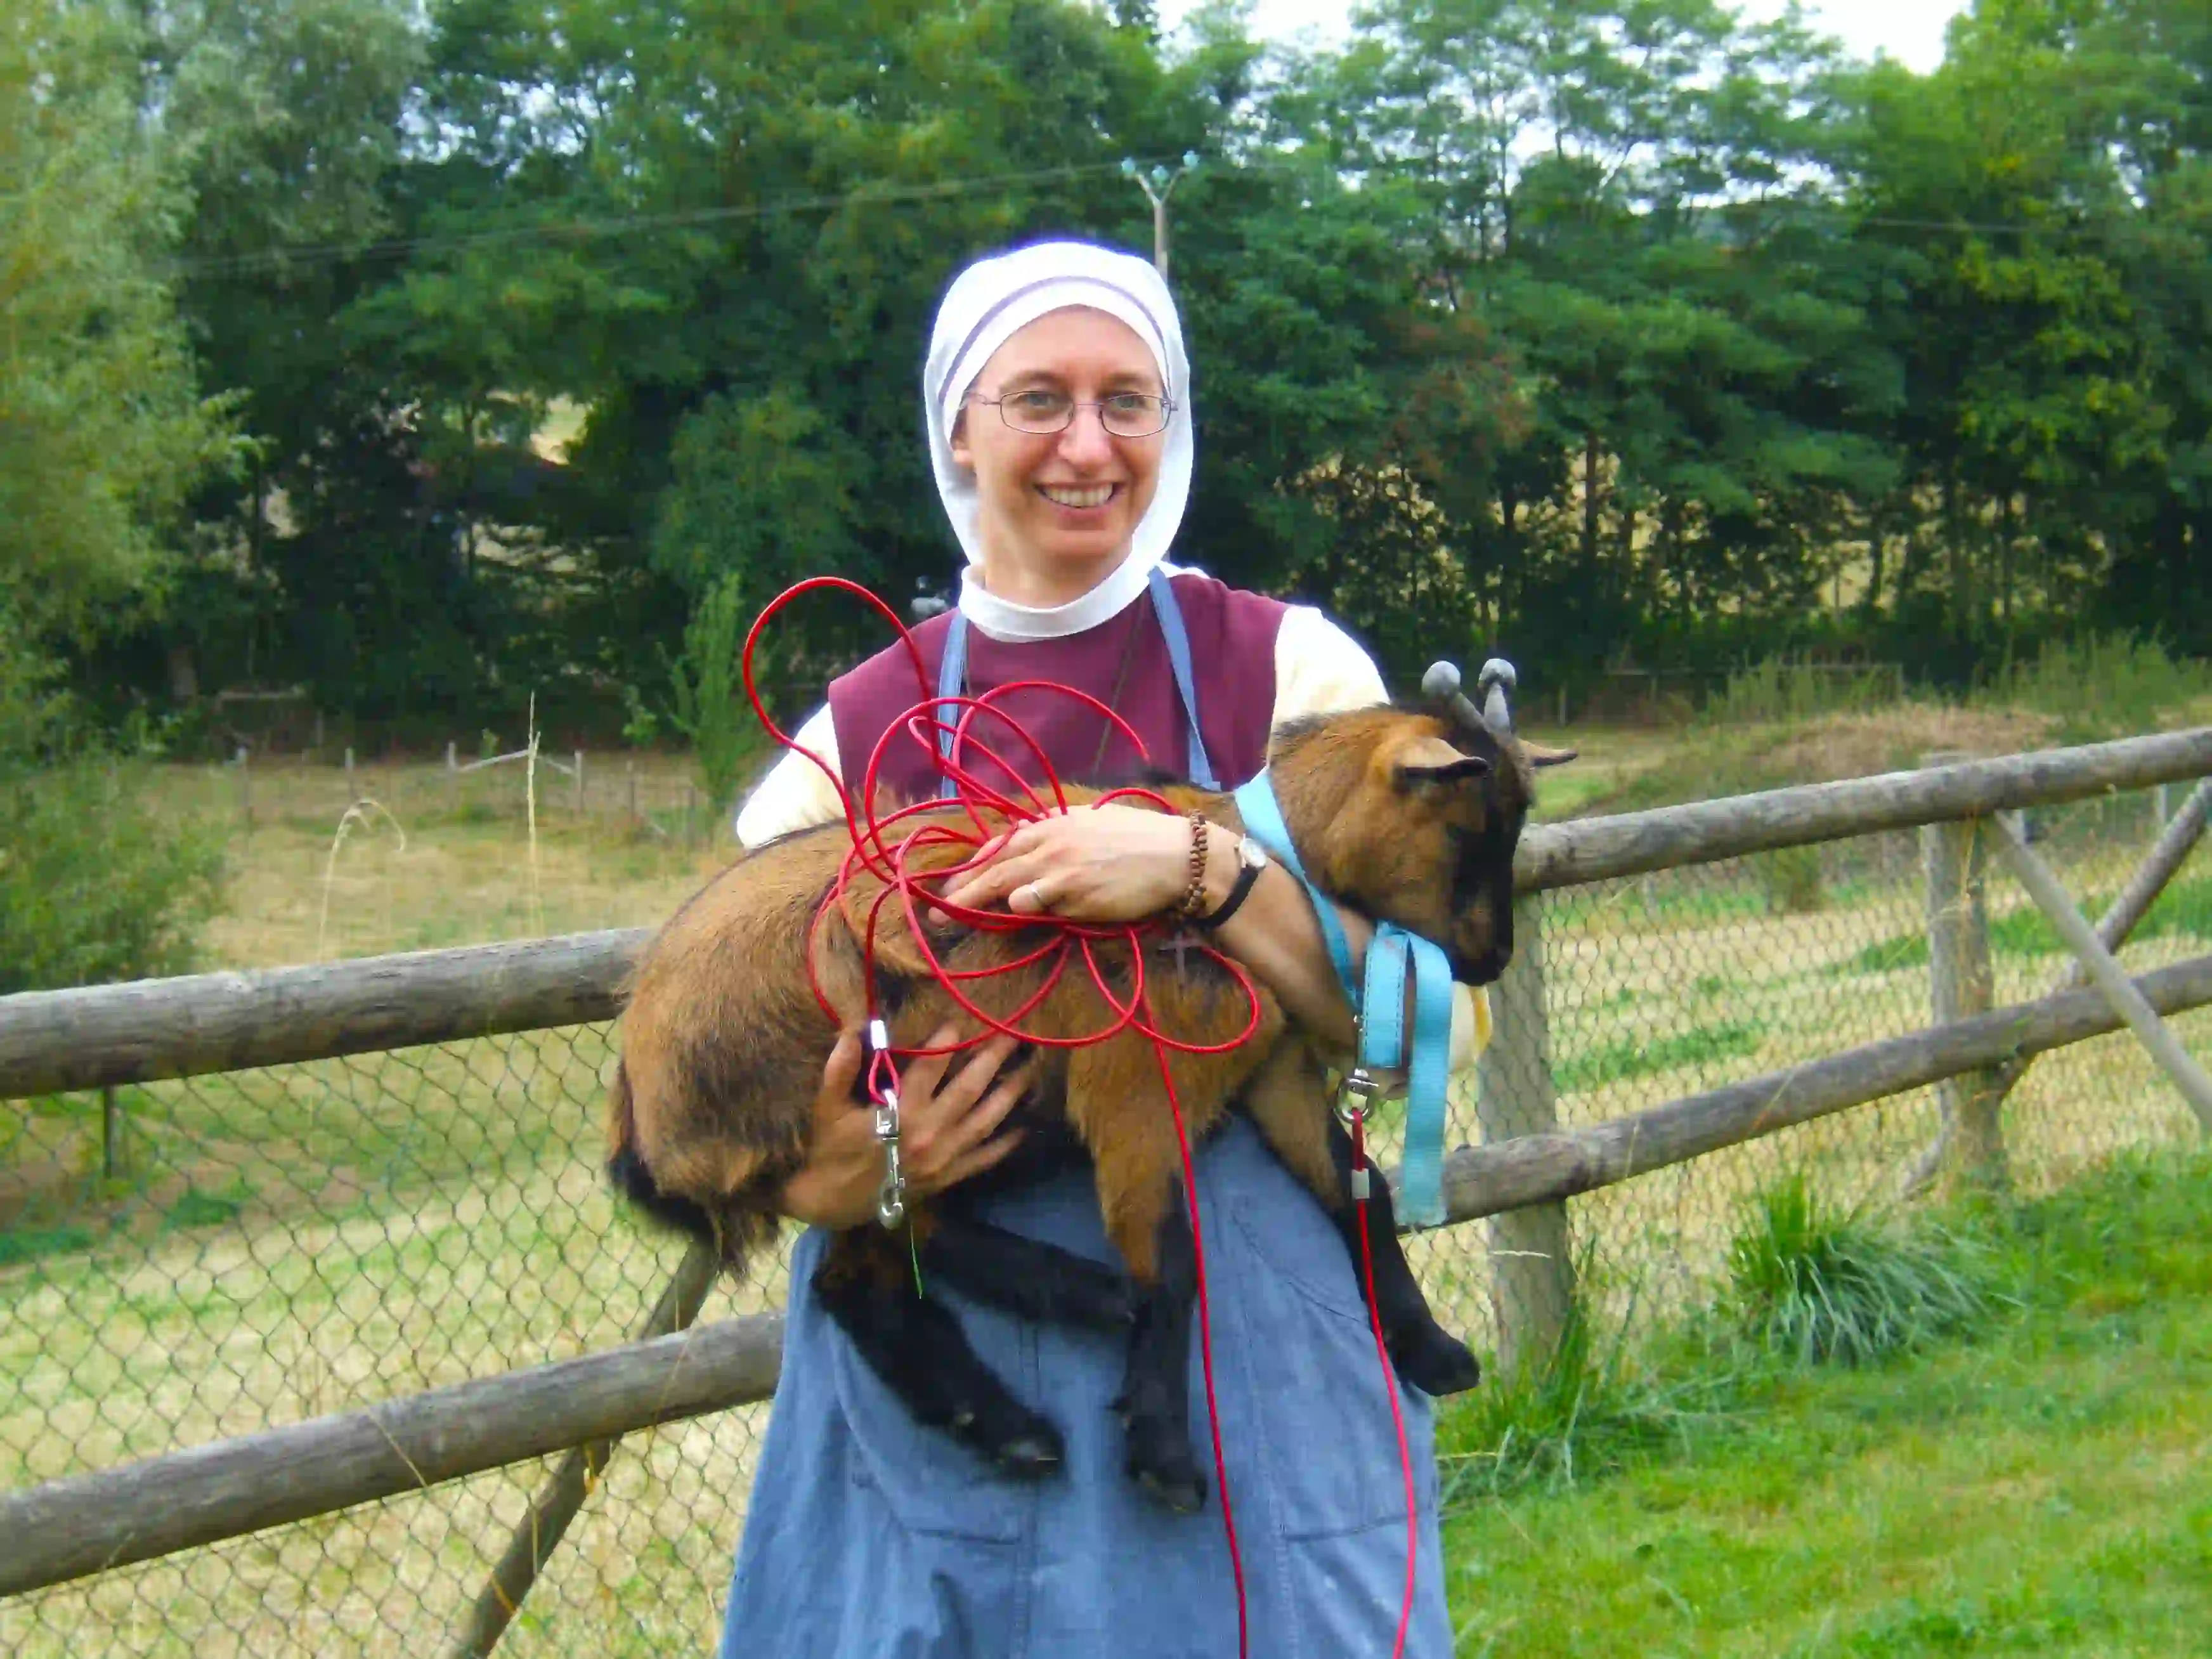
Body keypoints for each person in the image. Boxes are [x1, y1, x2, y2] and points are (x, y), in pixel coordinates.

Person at [719, 238, 1486, 1658]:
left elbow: (1415, 1037)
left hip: (1243, 1345)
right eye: (1039, 400)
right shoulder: (854, 735)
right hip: (953, 1353)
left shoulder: (1289, 675)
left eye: (1128, 401)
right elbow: (722, 1075)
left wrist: (1204, 873)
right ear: (959, 425)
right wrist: (828, 1174)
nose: (1088, 445)